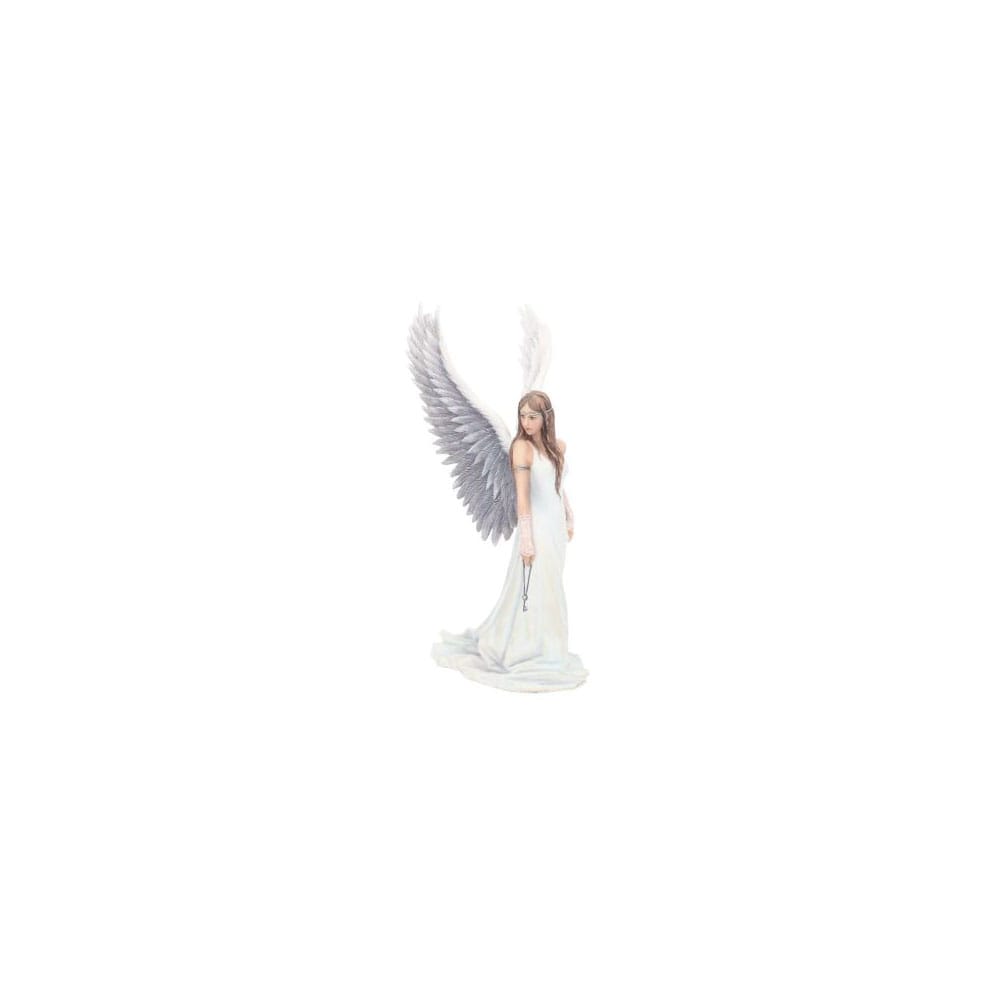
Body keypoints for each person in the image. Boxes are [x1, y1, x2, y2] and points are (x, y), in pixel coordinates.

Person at [431, 390, 587, 692]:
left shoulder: (558, 447)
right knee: (535, 585)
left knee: (551, 585)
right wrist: (526, 540)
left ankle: (549, 647)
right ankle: (525, 648)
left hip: (555, 528)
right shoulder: (521, 448)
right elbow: (523, 498)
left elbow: (557, 488)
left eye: (532, 416)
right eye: (523, 416)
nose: (526, 422)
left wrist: (569, 517)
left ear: (546, 418)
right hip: (537, 527)